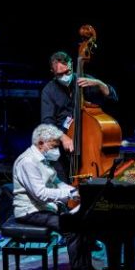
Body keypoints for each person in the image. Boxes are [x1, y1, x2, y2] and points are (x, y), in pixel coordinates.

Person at [12, 123, 103, 270]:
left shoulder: (43, 159)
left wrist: (74, 191)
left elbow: (56, 182)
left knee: (83, 221)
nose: (56, 150)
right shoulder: (28, 162)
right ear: (40, 143)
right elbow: (40, 194)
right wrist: (68, 196)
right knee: (72, 229)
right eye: (53, 146)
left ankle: (86, 269)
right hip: (30, 211)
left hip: (44, 208)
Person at [40, 50, 118, 184]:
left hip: (88, 143)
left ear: (71, 65)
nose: (65, 76)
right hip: (62, 144)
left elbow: (114, 99)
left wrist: (99, 83)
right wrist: (63, 137)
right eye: (60, 74)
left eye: (67, 72)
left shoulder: (84, 80)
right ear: (52, 72)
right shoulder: (49, 91)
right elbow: (47, 122)